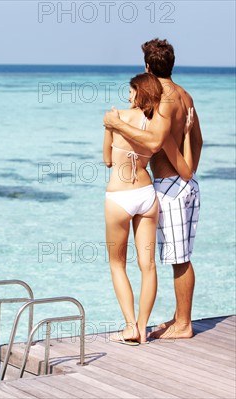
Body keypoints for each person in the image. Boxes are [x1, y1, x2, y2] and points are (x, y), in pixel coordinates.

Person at [104, 38, 203, 340]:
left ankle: (183, 324)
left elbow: (154, 142)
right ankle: (179, 318)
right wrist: (188, 172)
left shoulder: (165, 97)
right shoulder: (185, 95)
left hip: (170, 186)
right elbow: (197, 140)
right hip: (179, 182)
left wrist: (115, 124)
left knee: (178, 257)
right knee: (172, 256)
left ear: (147, 66)